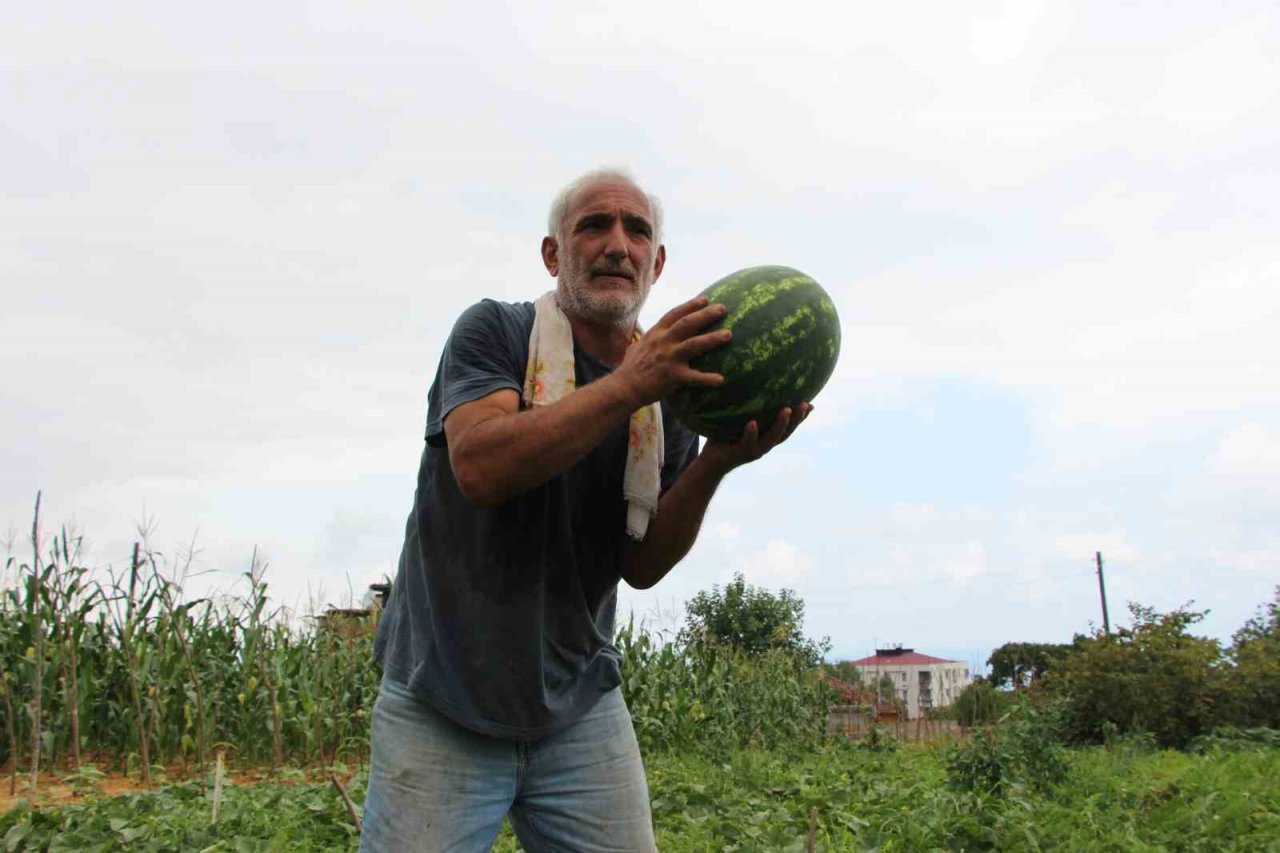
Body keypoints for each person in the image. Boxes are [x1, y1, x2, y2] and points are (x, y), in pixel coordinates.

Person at [360, 168, 810, 852]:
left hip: (579, 707)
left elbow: (641, 563)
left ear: (657, 264)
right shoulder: (497, 332)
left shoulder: (668, 398)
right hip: (444, 699)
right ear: (553, 254)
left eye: (638, 232)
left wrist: (716, 460)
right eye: (594, 226)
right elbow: (481, 466)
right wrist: (631, 384)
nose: (617, 245)